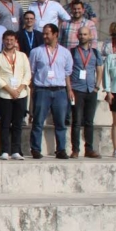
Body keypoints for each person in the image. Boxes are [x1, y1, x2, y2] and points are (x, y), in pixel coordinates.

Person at [29, 24, 74, 159]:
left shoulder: (65, 53)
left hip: (60, 90)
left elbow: (67, 73)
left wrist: (69, 90)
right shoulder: (36, 51)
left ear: (55, 34)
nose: (45, 36)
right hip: (42, 89)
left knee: (60, 122)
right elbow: (32, 71)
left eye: (47, 33)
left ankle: (61, 149)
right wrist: (32, 92)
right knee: (38, 121)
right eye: (43, 33)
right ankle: (35, 149)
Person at [0, 31, 32, 160]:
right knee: (5, 123)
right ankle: (4, 150)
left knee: (17, 123)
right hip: (5, 94)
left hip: (20, 94)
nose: (9, 42)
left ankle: (16, 150)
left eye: (11, 40)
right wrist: (10, 90)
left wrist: (20, 88)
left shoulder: (22, 56)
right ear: (3, 41)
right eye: (6, 40)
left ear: (15, 41)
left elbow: (27, 74)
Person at [70, 26, 104, 159]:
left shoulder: (95, 53)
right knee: (76, 121)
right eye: (81, 34)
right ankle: (75, 149)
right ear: (77, 36)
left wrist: (97, 87)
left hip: (91, 90)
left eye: (85, 34)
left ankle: (89, 149)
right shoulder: (72, 52)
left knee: (89, 121)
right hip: (77, 89)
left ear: (90, 36)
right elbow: (68, 70)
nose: (83, 36)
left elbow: (99, 70)